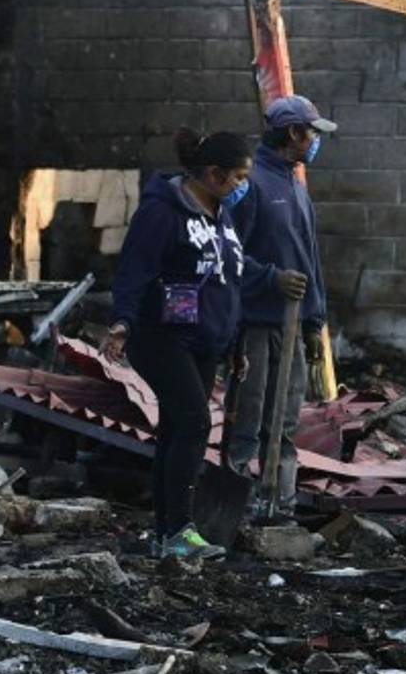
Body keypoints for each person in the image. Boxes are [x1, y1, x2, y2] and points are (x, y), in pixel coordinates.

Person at [100, 129, 264, 559]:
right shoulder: (162, 211)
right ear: (213, 173)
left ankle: (164, 534)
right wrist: (122, 322)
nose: (243, 185)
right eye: (239, 176)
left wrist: (235, 344)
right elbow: (134, 269)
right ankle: (179, 530)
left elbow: (230, 280)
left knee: (176, 429)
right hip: (162, 337)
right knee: (193, 423)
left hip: (205, 340)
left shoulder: (222, 216)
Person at [226, 95, 336, 518]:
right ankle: (237, 504)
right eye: (312, 133)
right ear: (293, 133)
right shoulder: (249, 184)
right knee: (248, 422)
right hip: (254, 326)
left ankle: (280, 505)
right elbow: (227, 253)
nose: (315, 142)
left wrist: (314, 323)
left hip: (292, 327)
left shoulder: (296, 185)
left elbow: (310, 261)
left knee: (285, 423)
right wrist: (270, 278)